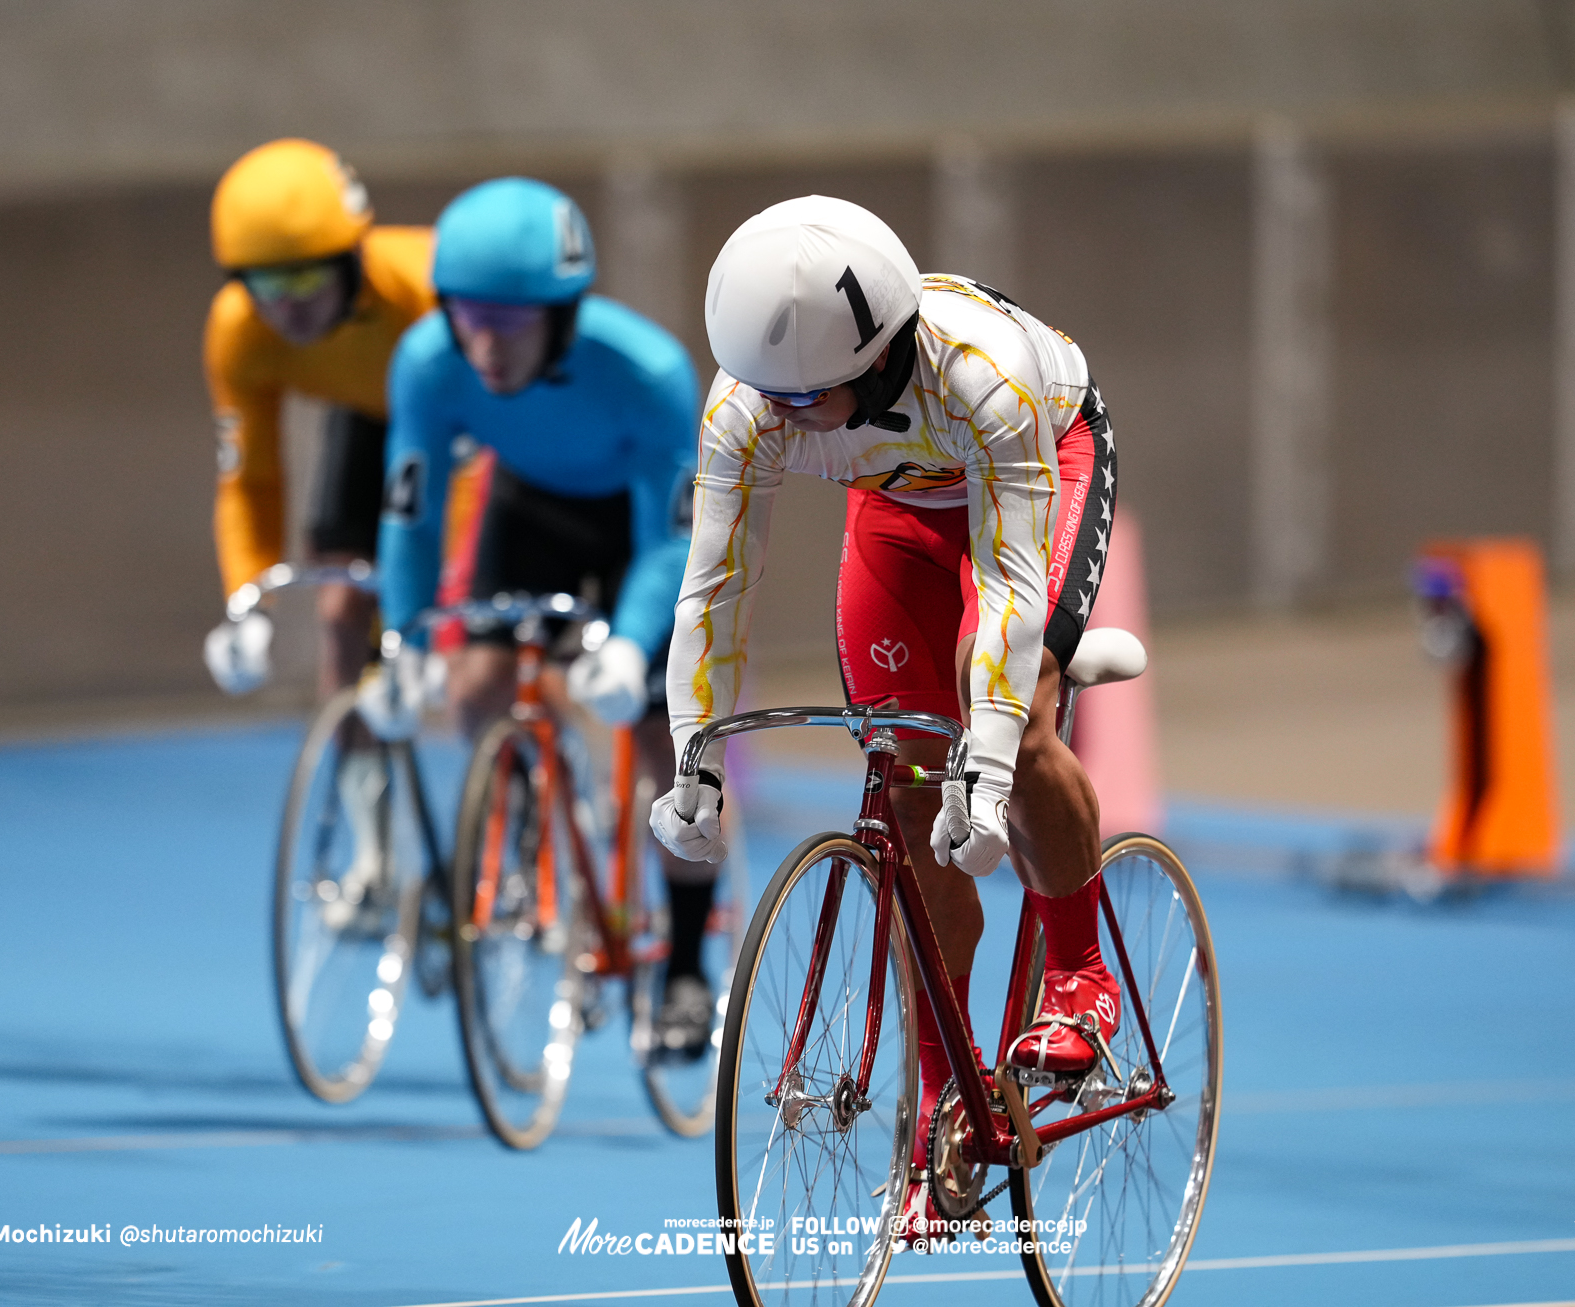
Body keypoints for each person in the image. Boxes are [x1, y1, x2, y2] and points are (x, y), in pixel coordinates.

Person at [652, 196, 1121, 1240]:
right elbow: (713, 590)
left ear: (874, 356)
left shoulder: (979, 374)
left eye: (803, 396)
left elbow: (1005, 583)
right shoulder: (753, 402)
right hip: (897, 505)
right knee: (905, 781)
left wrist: (993, 756)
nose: (776, 414)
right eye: (765, 392)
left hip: (1039, 464)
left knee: (1001, 694)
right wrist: (694, 758)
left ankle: (1080, 973)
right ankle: (939, 1104)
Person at [369, 177, 720, 1055]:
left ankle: (683, 964)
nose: (485, 346)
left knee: (667, 738)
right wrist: (405, 636)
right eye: (469, 317)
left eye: (512, 322)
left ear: (563, 314)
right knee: (478, 680)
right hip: (529, 504)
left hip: (639, 527)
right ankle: (522, 809)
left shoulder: (647, 372)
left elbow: (672, 539)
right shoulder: (425, 360)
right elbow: (408, 514)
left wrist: (632, 643)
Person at [199, 138, 435, 700]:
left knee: (484, 644)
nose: (287, 308)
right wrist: (246, 605)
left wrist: (433, 627)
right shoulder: (238, 331)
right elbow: (249, 480)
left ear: (352, 261)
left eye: (305, 280)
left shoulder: (420, 294)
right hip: (369, 415)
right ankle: (358, 778)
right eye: (266, 285)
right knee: (340, 610)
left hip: (474, 431)